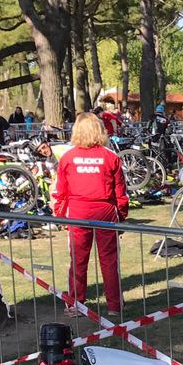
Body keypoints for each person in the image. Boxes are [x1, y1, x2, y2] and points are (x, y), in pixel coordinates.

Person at [52, 112, 129, 317]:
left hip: (78, 211)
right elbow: (121, 192)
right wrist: (121, 216)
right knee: (109, 261)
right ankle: (114, 306)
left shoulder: (68, 157)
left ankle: (75, 304)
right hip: (105, 212)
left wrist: (59, 215)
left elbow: (60, 191)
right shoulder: (110, 157)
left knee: (78, 260)